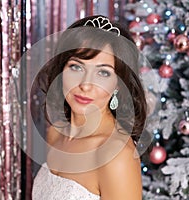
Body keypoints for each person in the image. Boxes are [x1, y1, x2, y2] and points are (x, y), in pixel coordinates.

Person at [30, 15, 147, 200]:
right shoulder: (56, 133)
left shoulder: (116, 155)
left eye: (103, 72)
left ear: (118, 84)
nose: (86, 85)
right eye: (76, 67)